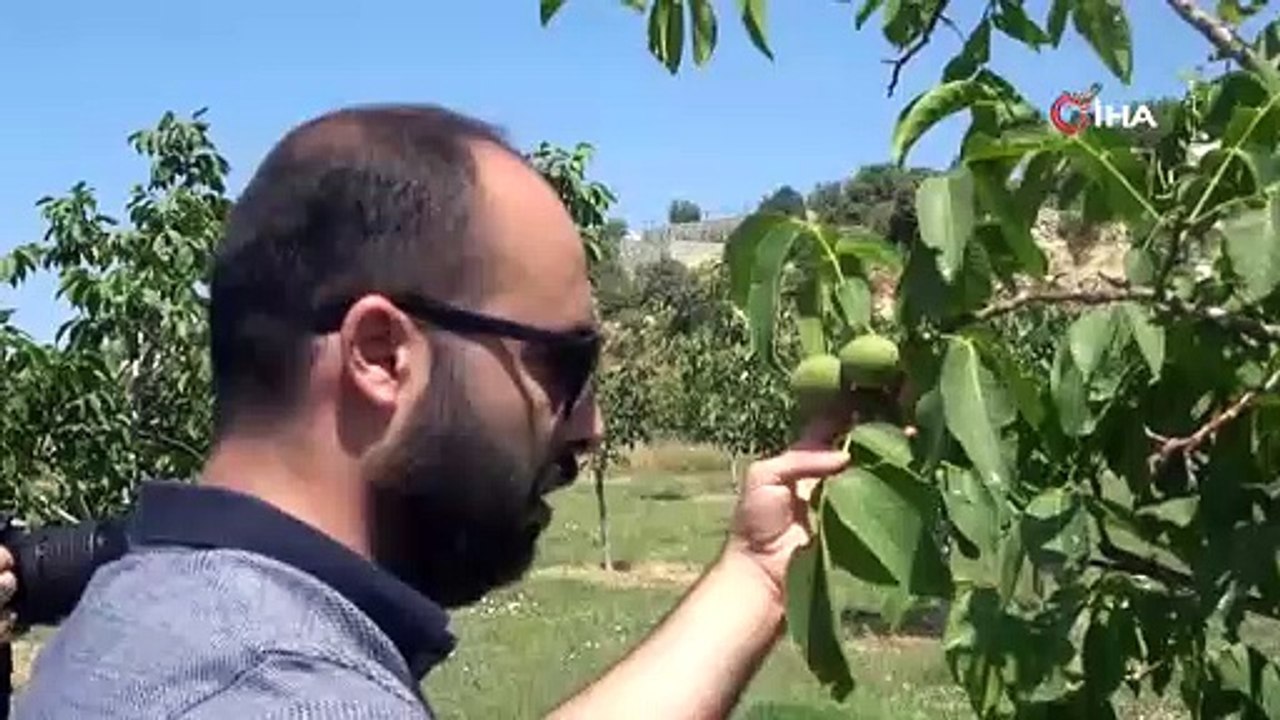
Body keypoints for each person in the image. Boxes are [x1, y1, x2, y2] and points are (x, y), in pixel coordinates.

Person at [11, 104, 860, 719]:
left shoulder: (166, 610)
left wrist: (756, 574)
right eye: (567, 365)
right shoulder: (281, 692)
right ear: (381, 354)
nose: (590, 425)